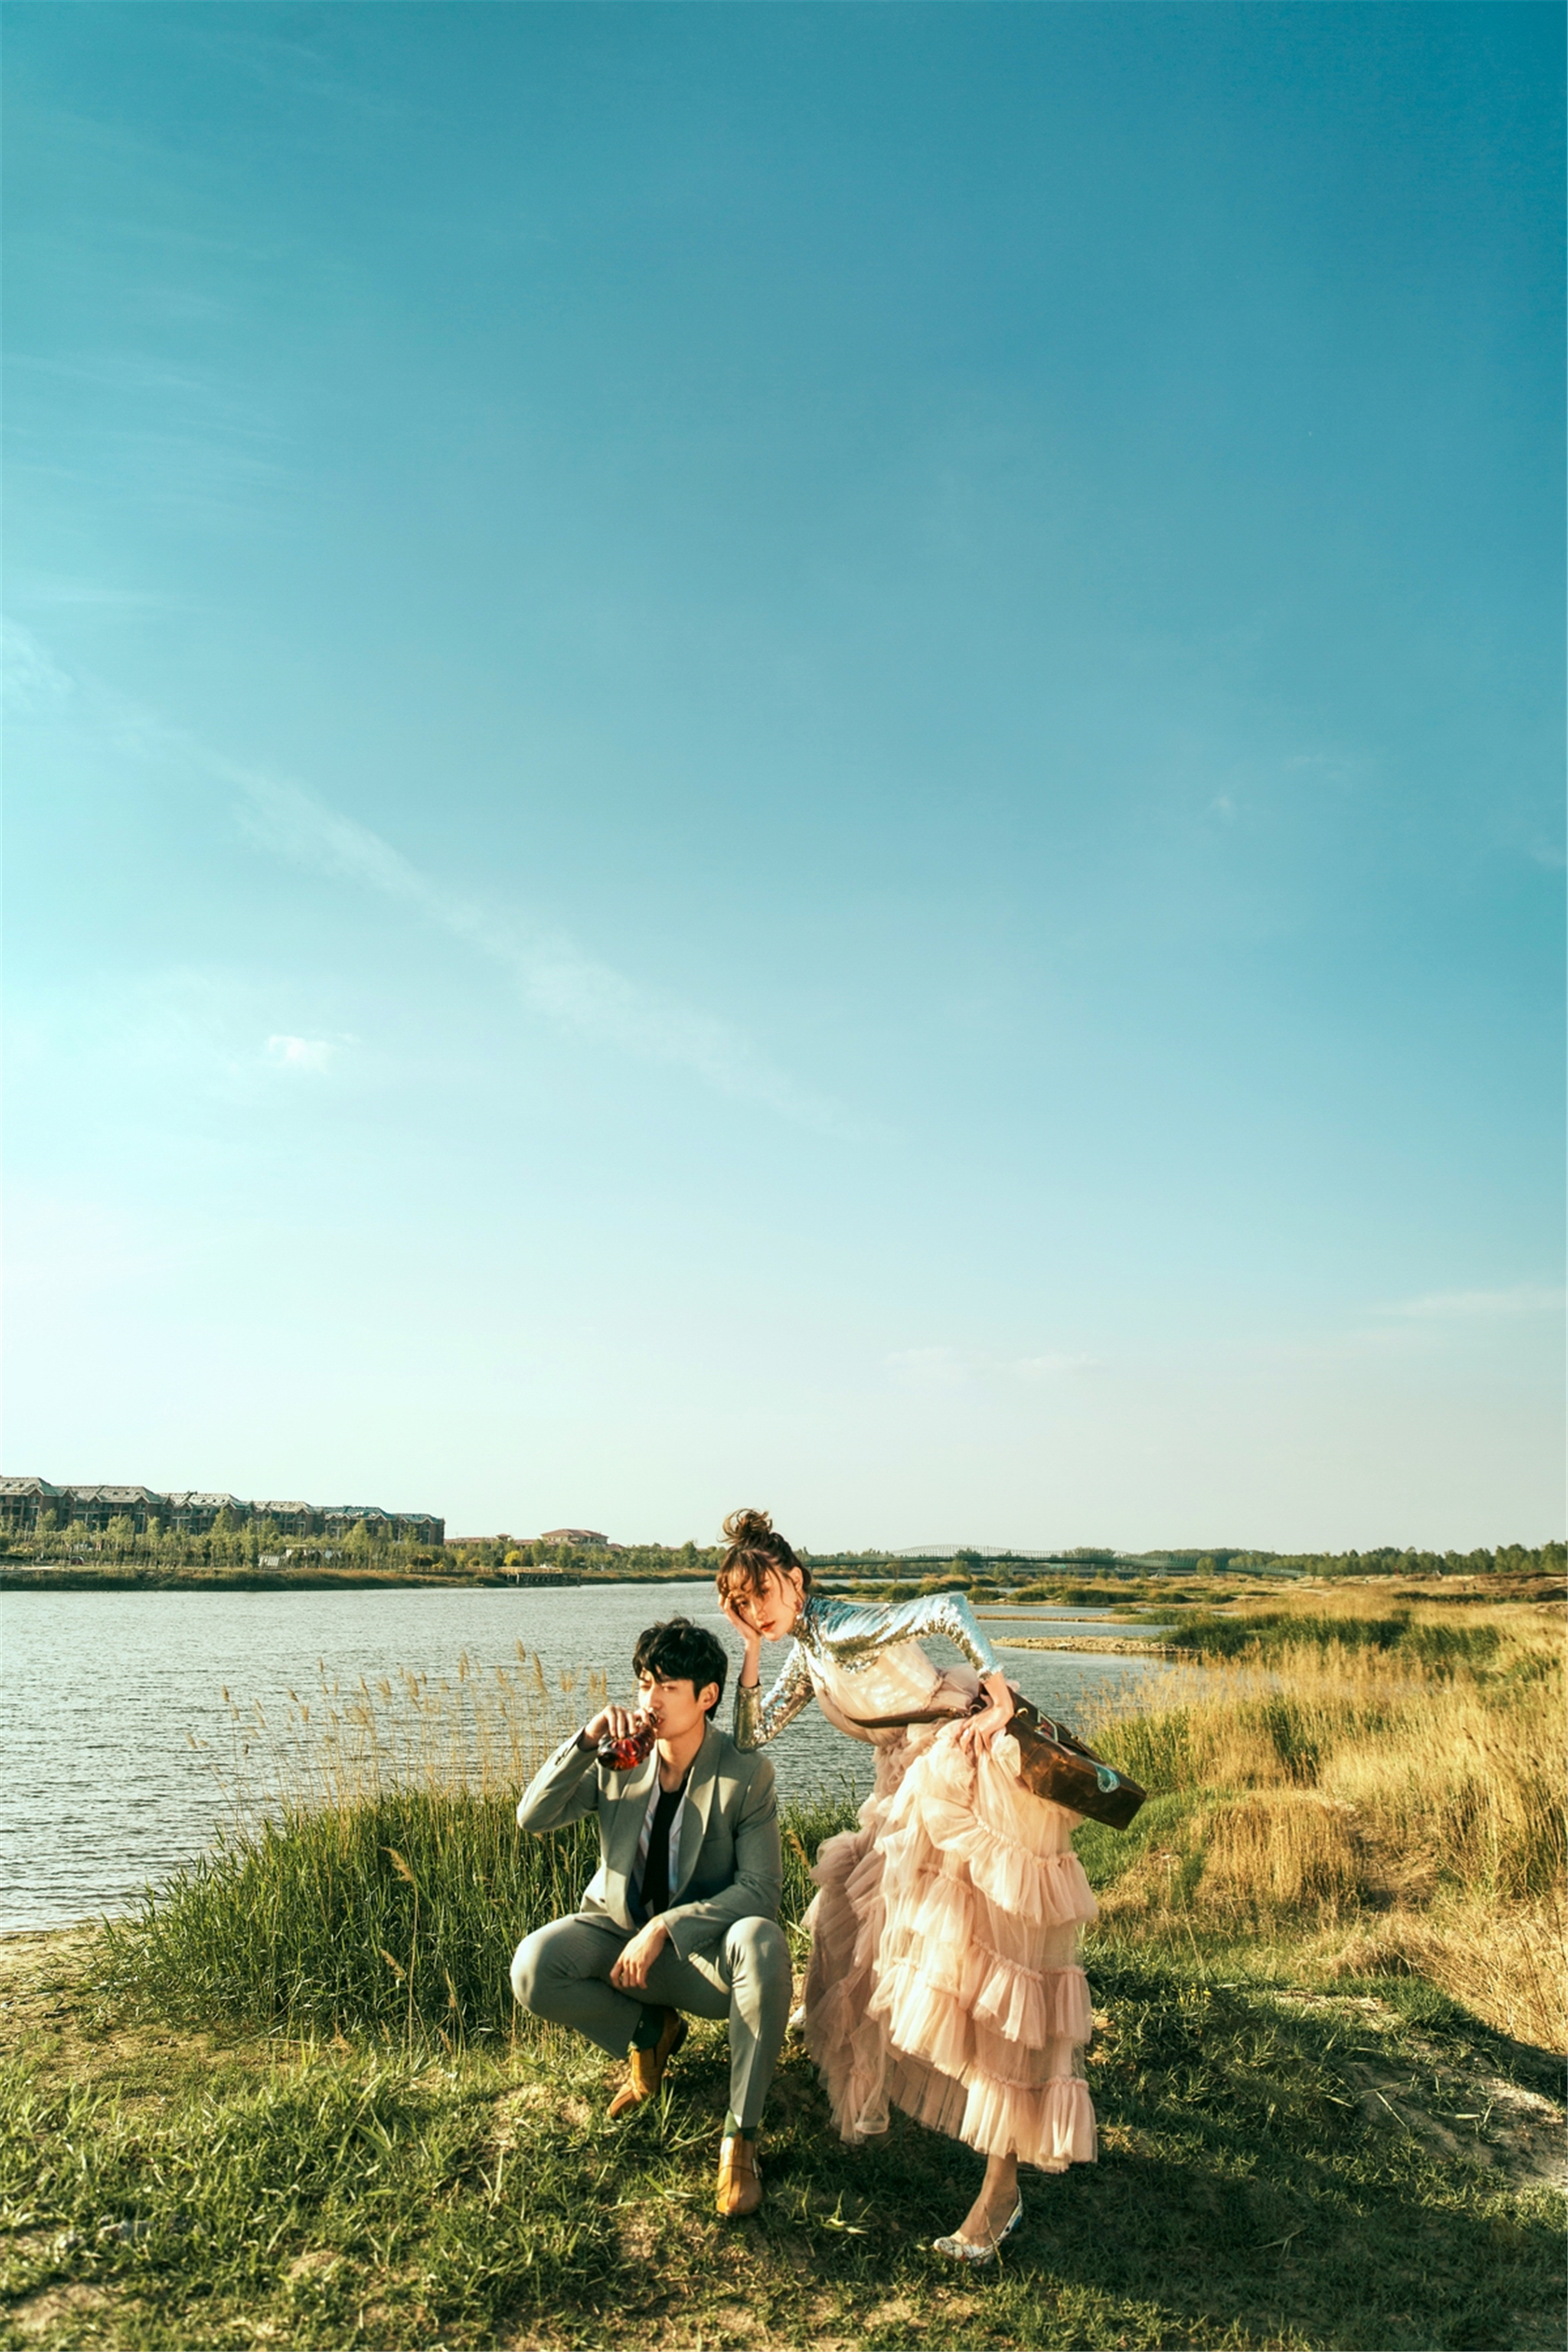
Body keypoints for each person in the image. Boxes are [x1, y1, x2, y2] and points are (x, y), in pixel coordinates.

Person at [718, 1507, 1098, 2263]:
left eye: (761, 1595)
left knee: (979, 1980)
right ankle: (857, 2075)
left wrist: (1000, 1697)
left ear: (794, 1579)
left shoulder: (844, 1625)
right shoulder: (810, 1652)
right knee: (847, 1920)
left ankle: (1001, 2193)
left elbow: (949, 1609)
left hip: (960, 1780)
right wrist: (752, 1653)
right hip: (907, 1790)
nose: (755, 1611)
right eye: (740, 1605)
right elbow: (750, 1737)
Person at [510, 1615, 793, 2219]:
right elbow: (532, 1817)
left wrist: (667, 1927)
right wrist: (585, 1741)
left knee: (763, 1942)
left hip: (699, 1958)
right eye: (644, 1684)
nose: (650, 1701)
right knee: (532, 1967)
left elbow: (760, 1891)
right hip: (615, 1936)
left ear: (707, 1696)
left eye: (667, 1687)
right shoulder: (620, 1759)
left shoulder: (746, 1775)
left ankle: (740, 2139)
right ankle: (649, 2036)